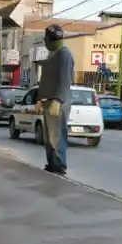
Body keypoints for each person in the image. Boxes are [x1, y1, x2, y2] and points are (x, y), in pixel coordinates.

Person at [35, 24, 74, 175]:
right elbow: (46, 80)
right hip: (48, 102)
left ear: (51, 39)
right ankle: (51, 164)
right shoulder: (52, 55)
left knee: (56, 137)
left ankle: (59, 167)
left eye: (46, 38)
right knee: (48, 138)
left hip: (57, 103)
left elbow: (65, 80)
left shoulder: (64, 54)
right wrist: (39, 99)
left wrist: (58, 100)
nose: (44, 41)